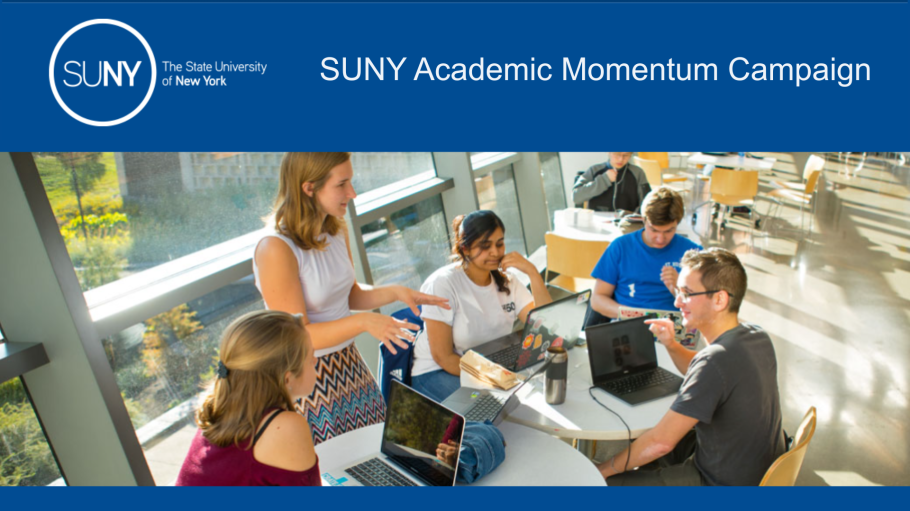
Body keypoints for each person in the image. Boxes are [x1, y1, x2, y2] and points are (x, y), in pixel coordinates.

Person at [253, 152, 450, 444]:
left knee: (378, 451)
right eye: (342, 184)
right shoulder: (275, 248)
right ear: (309, 188)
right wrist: (363, 323)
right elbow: (298, 336)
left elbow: (348, 294)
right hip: (307, 377)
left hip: (350, 365)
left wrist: (396, 292)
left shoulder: (334, 228)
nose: (352, 193)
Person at [597, 248, 786, 486]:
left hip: (720, 483)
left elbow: (661, 443)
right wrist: (671, 344)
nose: (677, 302)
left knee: (604, 482)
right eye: (678, 292)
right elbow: (710, 374)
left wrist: (601, 470)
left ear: (719, 299)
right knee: (651, 442)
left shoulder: (714, 361)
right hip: (757, 470)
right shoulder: (756, 335)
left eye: (686, 293)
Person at [410, 210, 552, 401]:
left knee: (533, 392)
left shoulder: (507, 281)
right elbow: (443, 357)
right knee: (501, 402)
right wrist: (496, 378)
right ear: (465, 248)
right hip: (438, 371)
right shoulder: (442, 284)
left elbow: (546, 327)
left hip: (486, 363)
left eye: (499, 244)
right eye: (485, 246)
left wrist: (532, 273)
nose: (495, 252)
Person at [176, 310, 321, 486]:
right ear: (287, 379)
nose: (315, 361)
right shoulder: (285, 426)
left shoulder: (218, 405)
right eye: (310, 357)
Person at [589, 187, 702, 324]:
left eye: (668, 231)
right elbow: (598, 299)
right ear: (643, 220)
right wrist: (631, 315)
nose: (660, 239)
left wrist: (680, 290)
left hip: (673, 327)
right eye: (654, 230)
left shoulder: (693, 253)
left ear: (677, 223)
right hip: (628, 324)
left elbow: (705, 308)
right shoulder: (620, 247)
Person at [572, 152, 651, 212]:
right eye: (617, 154)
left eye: (626, 155)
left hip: (627, 223)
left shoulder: (638, 173)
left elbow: (647, 203)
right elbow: (576, 197)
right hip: (598, 222)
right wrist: (604, 179)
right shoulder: (594, 170)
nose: (620, 159)